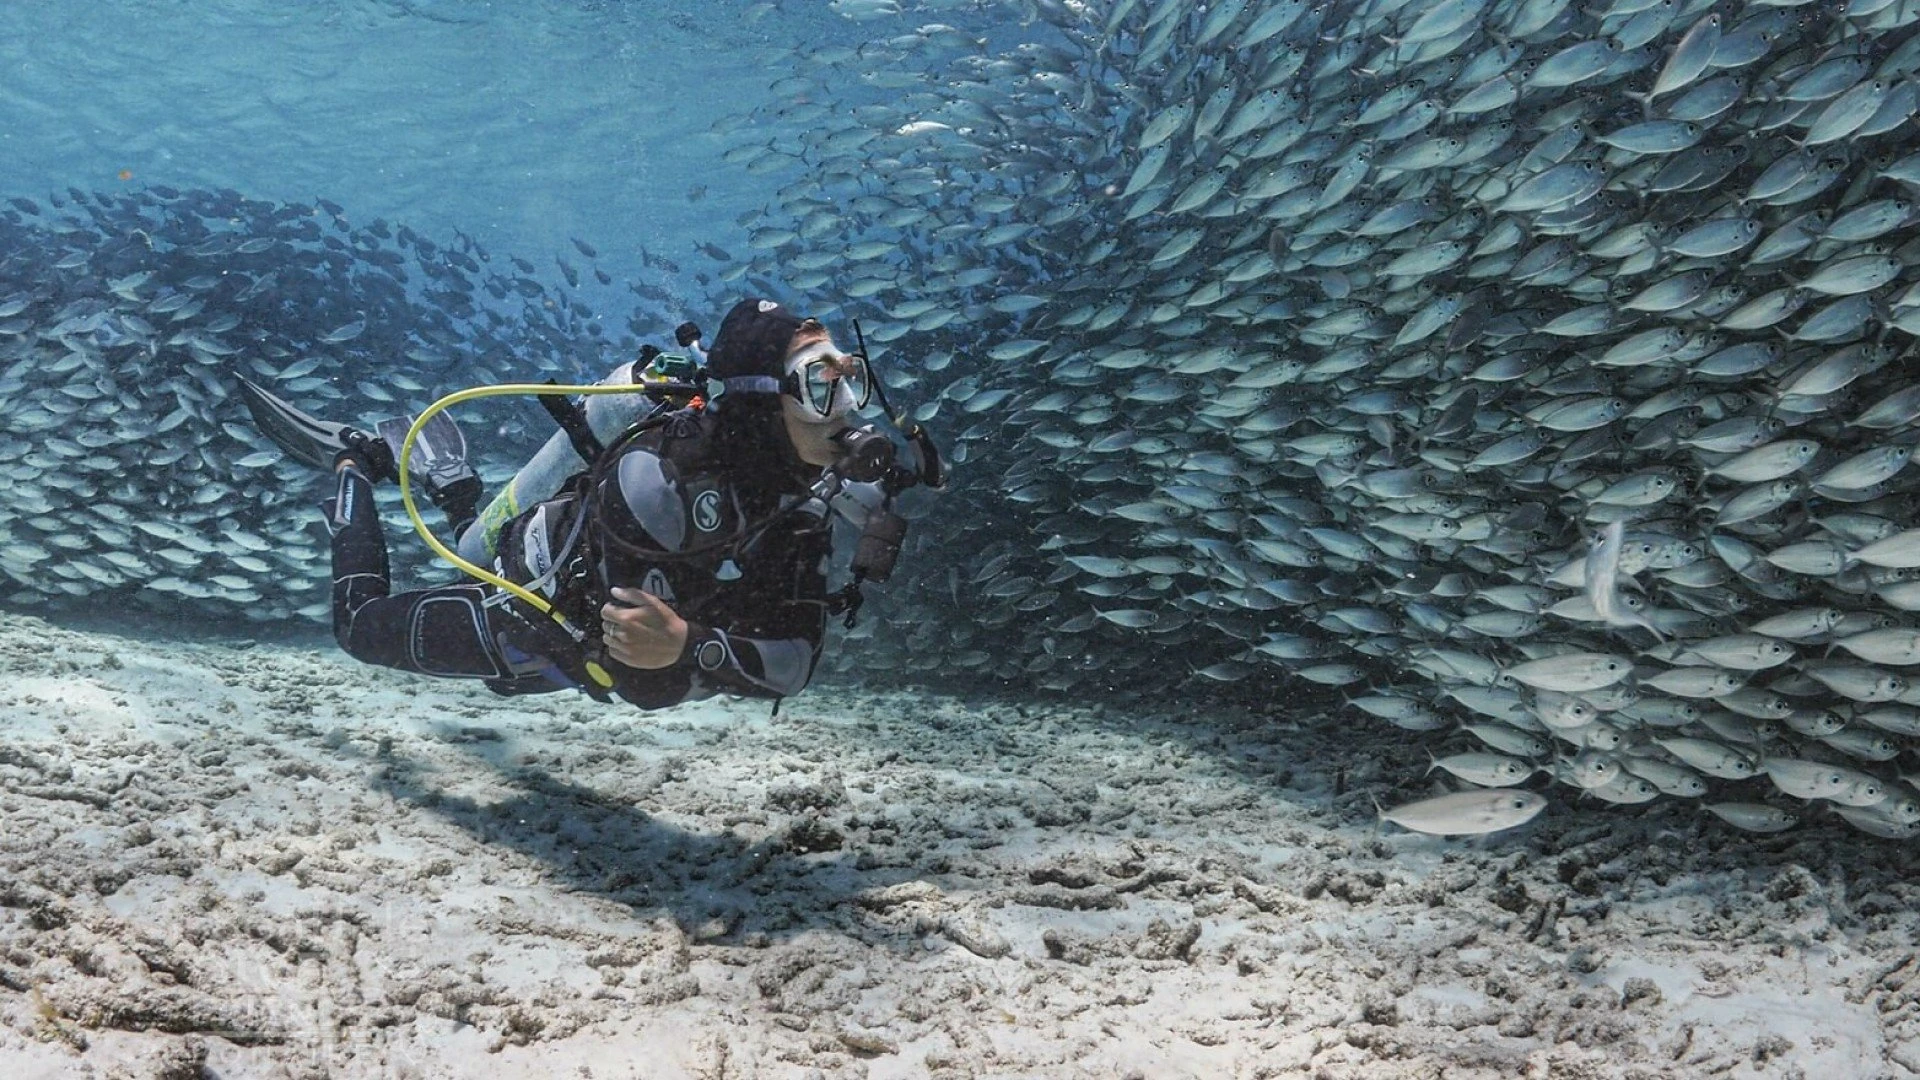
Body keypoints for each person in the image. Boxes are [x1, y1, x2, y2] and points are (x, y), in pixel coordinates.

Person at [242, 298, 928, 710]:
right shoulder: (657, 488)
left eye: (851, 380)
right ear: (755, 402)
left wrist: (694, 644)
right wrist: (695, 646)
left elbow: (794, 661)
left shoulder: (803, 491)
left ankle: (454, 484)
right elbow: (641, 681)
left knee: (497, 651)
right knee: (361, 628)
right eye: (818, 384)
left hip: (576, 649)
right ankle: (355, 459)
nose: (848, 409)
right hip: (520, 618)